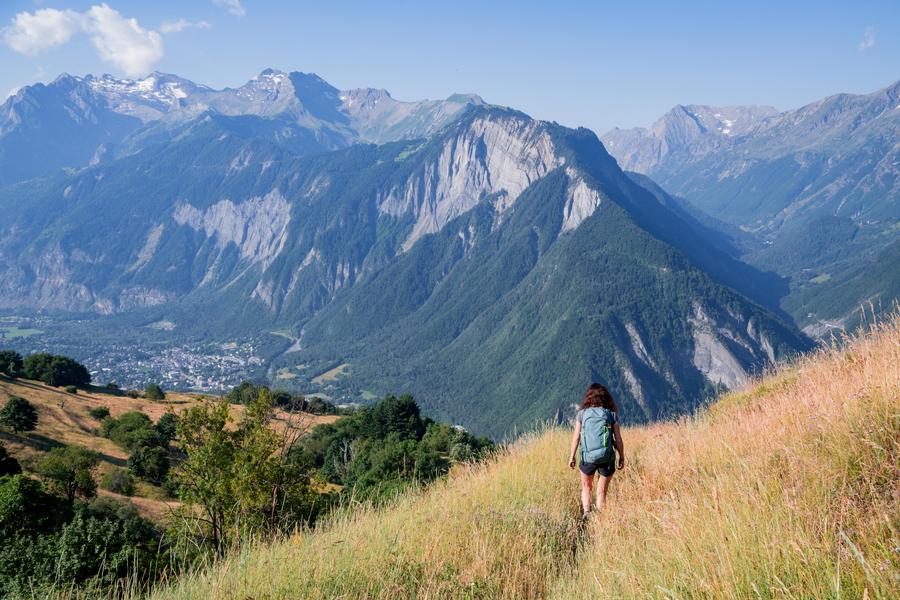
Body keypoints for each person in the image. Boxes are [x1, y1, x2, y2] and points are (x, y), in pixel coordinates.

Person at [568, 383, 625, 518]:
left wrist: (572, 456)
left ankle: (587, 513)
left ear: (588, 398)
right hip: (607, 458)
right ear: (606, 398)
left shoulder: (582, 414)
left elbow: (576, 438)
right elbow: (618, 439)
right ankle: (599, 518)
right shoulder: (612, 415)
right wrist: (621, 457)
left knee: (586, 487)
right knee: (601, 491)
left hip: (587, 458)